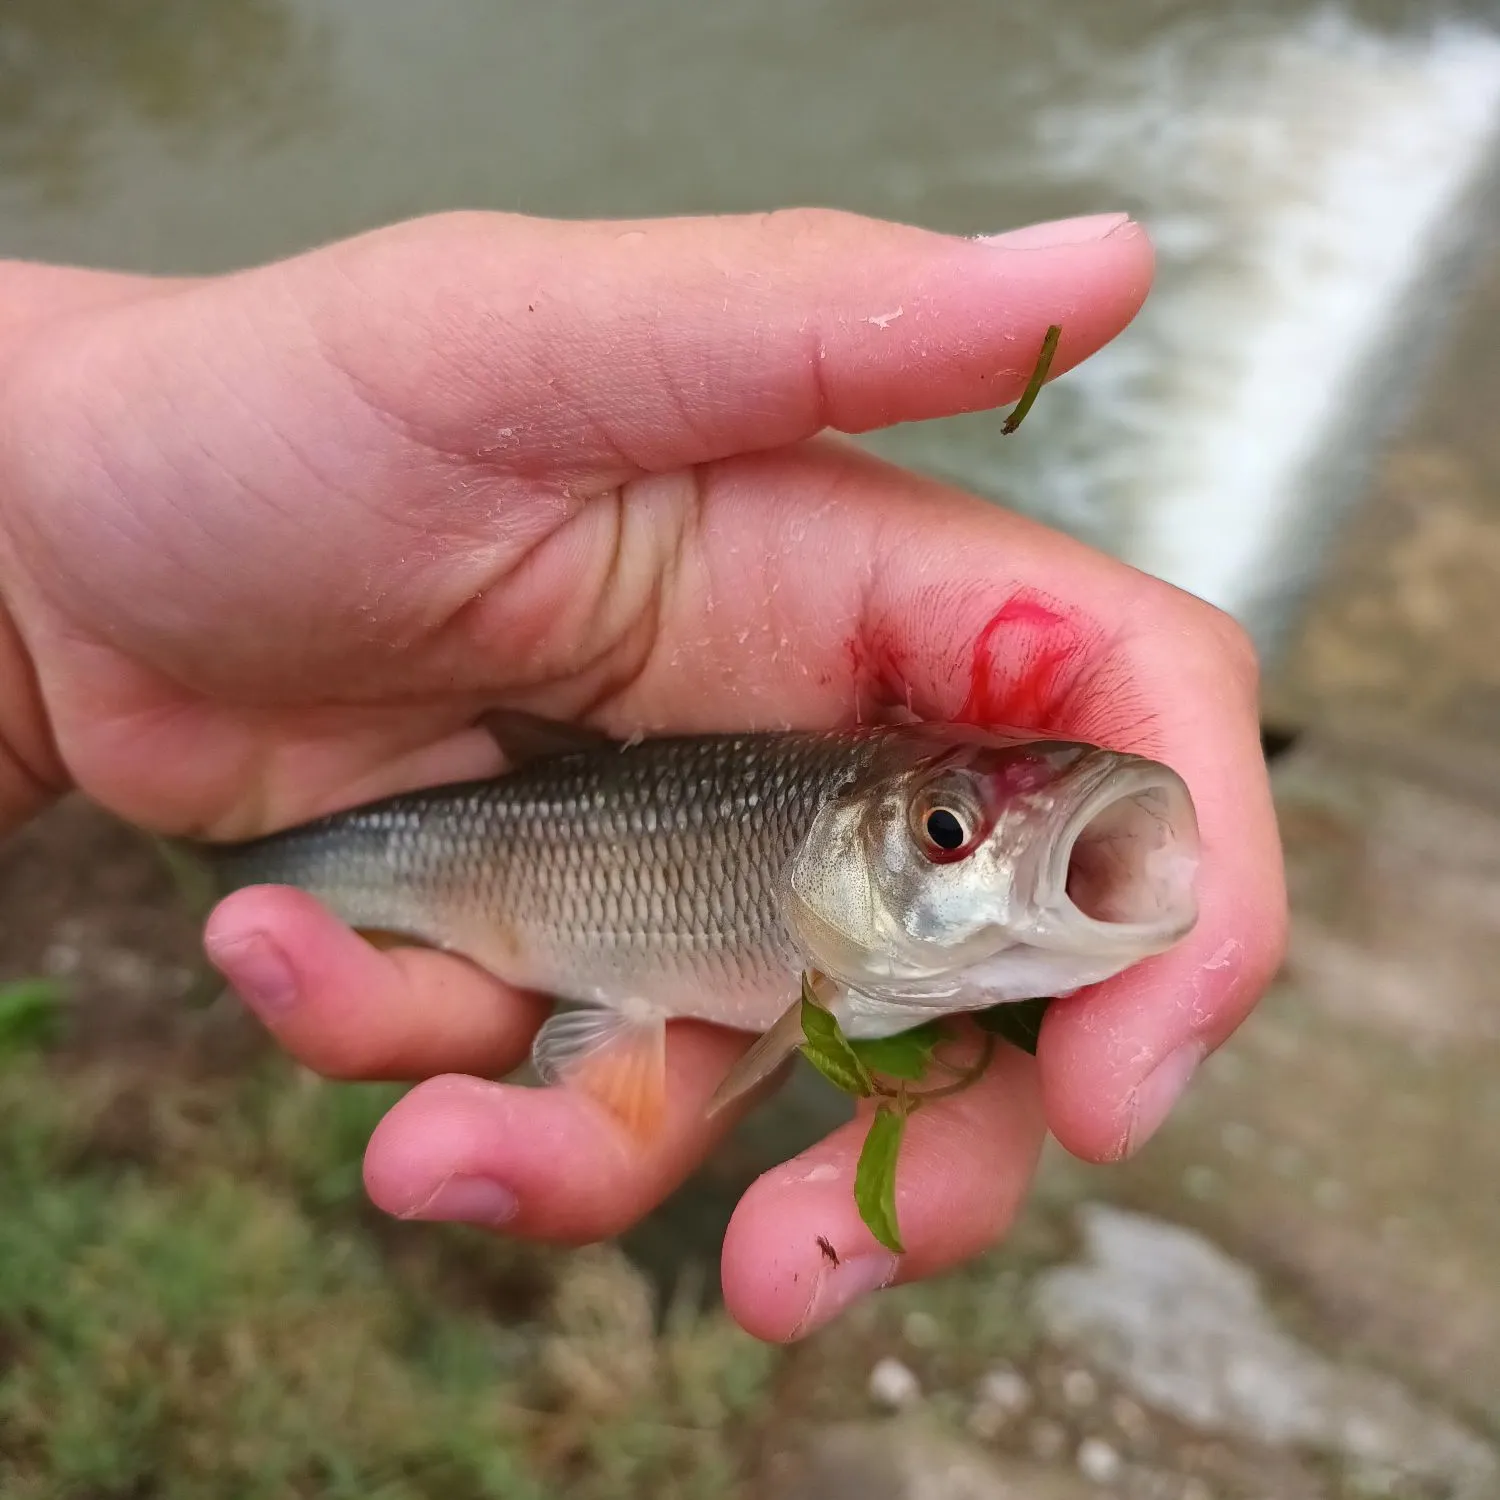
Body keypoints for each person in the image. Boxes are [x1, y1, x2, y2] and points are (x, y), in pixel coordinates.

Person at [0, 207, 1285, 1342]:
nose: (967, 842)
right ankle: (212, 880)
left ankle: (206, 879)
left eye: (948, 830)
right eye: (948, 829)